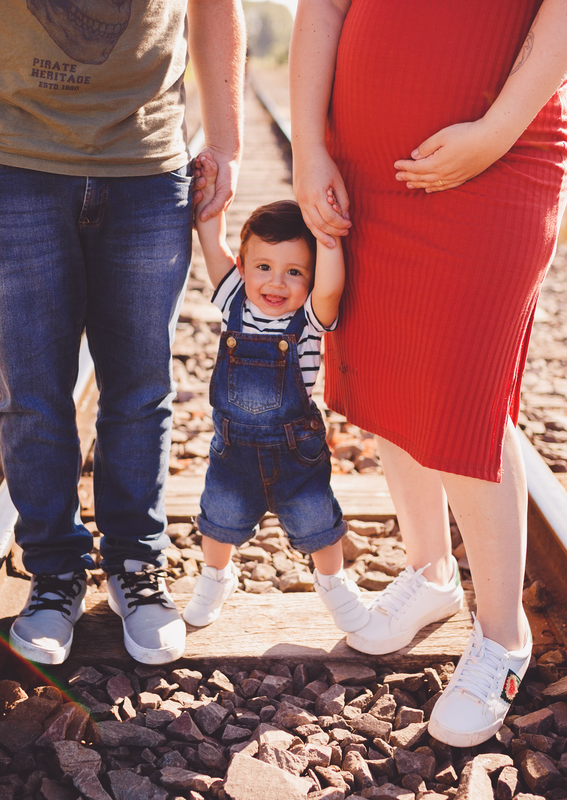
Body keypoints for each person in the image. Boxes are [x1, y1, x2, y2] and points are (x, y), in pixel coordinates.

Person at [0, 0, 245, 665]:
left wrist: (228, 140)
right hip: (9, 158)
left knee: (140, 386)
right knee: (34, 389)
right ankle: (54, 574)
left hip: (148, 163)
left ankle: (137, 566)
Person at [290, 0, 567, 745]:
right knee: (393, 375)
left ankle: (503, 639)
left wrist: (494, 131)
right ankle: (429, 574)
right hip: (365, 163)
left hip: (502, 152)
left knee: (464, 392)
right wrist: (310, 145)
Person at [183, 155, 368, 633]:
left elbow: (331, 286)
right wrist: (209, 200)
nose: (276, 282)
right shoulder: (233, 299)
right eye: (264, 266)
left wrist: (326, 237)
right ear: (243, 267)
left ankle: (333, 584)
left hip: (294, 454)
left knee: (317, 524)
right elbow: (212, 244)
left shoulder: (309, 317)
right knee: (217, 519)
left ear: (309, 281)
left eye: (294, 272)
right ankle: (215, 577)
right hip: (234, 452)